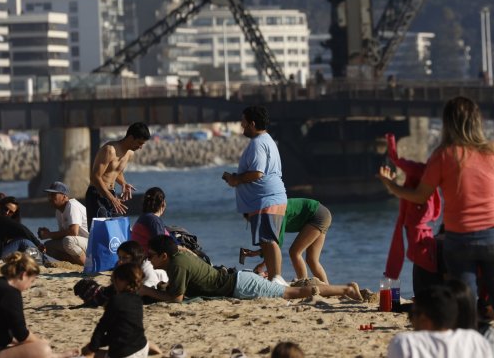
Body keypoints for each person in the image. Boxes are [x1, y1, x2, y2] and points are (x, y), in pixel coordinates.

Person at [378, 96, 494, 358]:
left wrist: (391, 186)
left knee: (464, 303)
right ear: (477, 121)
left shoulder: (443, 155)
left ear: (448, 123)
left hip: (460, 239)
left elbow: (420, 196)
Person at [140, 236, 362, 303]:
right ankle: (341, 288)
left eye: (151, 256)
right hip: (239, 281)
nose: (149, 259)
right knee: (293, 290)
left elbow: (176, 299)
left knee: (293, 293)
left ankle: (346, 289)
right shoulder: (180, 257)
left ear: (163, 256)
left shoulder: (176, 264)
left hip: (242, 286)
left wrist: (147, 290)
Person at [0, 252, 71, 358]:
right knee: (42, 349)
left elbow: (8, 330)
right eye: (31, 281)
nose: (28, 286)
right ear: (23, 275)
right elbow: (21, 334)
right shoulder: (10, 293)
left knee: (28, 346)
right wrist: (40, 342)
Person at [221, 106, 288, 286]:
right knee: (266, 241)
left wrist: (235, 179)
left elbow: (257, 173)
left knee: (268, 240)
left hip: (266, 198)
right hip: (269, 198)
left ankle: (277, 278)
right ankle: (274, 277)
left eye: (243, 121)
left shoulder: (258, 143)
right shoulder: (267, 140)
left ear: (252, 123)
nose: (241, 125)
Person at [382, 133, 442, 295]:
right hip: (426, 231)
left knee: (421, 270)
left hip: (421, 232)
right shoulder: (429, 174)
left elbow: (418, 196)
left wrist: (390, 184)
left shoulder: (423, 174)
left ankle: (401, 297)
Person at [387, 284, 494, 358]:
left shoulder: (405, 344)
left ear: (423, 318)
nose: (411, 320)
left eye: (412, 315)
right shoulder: (476, 341)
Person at [248, 198, 333, 284]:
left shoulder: (276, 213)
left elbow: (277, 244)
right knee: (312, 260)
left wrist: (262, 265)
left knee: (295, 252)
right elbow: (271, 245)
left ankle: (303, 284)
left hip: (317, 215)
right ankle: (327, 288)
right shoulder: (270, 215)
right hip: (322, 214)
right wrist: (257, 253)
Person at [86, 122, 151, 228]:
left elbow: (117, 172)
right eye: (139, 143)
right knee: (99, 230)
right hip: (97, 194)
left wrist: (123, 183)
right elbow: (95, 176)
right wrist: (112, 198)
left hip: (111, 194)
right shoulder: (109, 150)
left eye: (142, 144)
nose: (140, 147)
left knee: (117, 229)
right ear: (131, 138)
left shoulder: (130, 153)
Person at [80, 263, 151, 358]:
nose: (113, 285)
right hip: (142, 347)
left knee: (86, 353)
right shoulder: (137, 300)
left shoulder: (116, 300)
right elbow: (121, 331)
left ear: (121, 281)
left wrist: (92, 348)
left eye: (113, 281)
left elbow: (102, 328)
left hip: (125, 354)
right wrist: (96, 345)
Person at [0, 196, 46, 263]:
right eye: (6, 209)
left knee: (21, 241)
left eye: (11, 212)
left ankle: (36, 262)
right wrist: (38, 244)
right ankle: (44, 261)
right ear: (0, 206)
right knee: (23, 241)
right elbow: (22, 229)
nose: (7, 213)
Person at [37, 182, 89, 266]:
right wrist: (48, 234)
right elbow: (63, 235)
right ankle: (77, 264)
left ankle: (88, 266)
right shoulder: (59, 211)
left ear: (64, 196)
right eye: (49, 195)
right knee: (47, 246)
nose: (50, 198)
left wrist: (50, 234)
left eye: (53, 195)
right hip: (79, 244)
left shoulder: (72, 206)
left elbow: (73, 232)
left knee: (68, 241)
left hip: (91, 243)